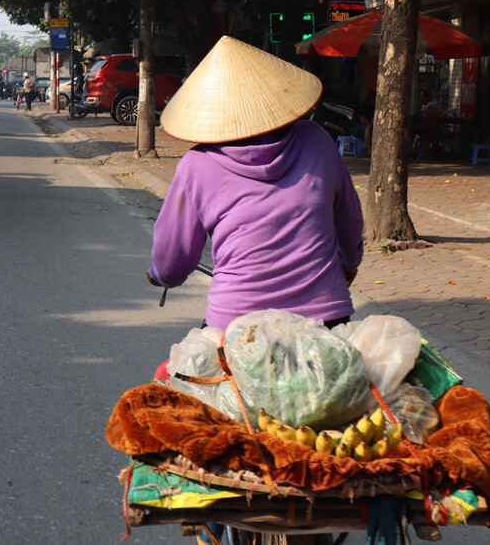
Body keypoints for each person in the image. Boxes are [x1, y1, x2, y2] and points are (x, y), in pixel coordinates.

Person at [146, 36, 364, 332]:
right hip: (325, 319)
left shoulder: (196, 165)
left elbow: (172, 257)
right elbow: (349, 221)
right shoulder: (317, 140)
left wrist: (162, 275)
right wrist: (349, 262)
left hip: (237, 325)